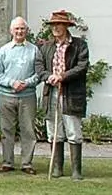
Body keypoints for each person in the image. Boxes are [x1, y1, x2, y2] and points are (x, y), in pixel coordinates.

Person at [36, 9, 89, 181]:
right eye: (53, 25)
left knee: (73, 131)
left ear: (66, 26)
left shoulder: (79, 45)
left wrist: (63, 76)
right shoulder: (46, 47)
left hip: (71, 93)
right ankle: (57, 167)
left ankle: (76, 171)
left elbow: (82, 66)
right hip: (51, 92)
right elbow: (39, 68)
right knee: (53, 131)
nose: (56, 28)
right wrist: (49, 77)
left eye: (59, 24)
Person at [0, 17, 39, 174]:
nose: (19, 31)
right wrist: (11, 82)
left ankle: (27, 163)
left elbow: (39, 73)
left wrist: (26, 82)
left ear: (27, 31)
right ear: (11, 31)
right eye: (16, 29)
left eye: (22, 28)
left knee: (28, 130)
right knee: (7, 130)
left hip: (27, 96)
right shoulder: (4, 50)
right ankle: (7, 162)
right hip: (6, 95)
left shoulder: (34, 50)